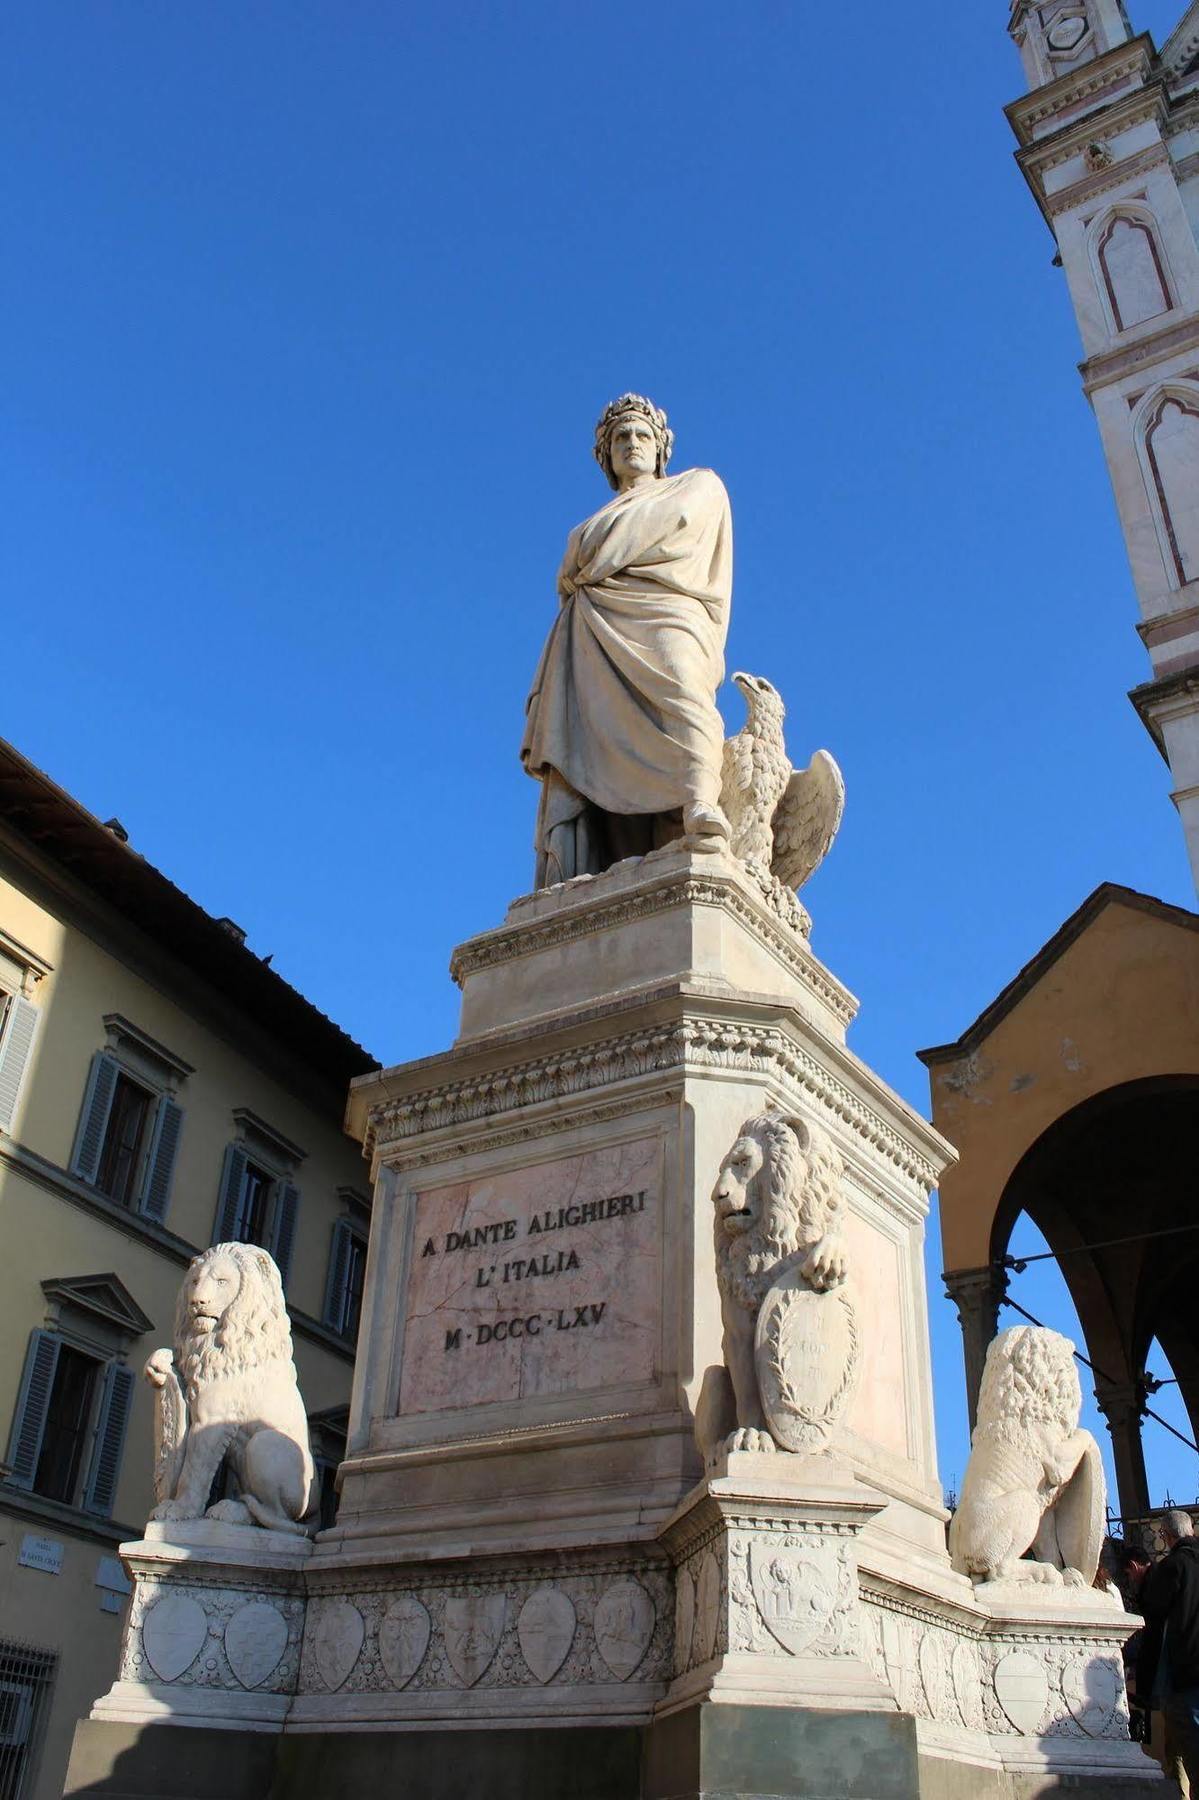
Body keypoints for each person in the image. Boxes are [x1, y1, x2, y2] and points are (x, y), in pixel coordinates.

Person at [521, 393, 734, 886]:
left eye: (642, 435)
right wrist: (588, 554)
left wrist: (589, 556)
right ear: (607, 457)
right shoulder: (587, 528)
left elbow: (669, 526)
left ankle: (699, 803)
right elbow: (575, 564)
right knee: (587, 733)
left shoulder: (698, 485)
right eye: (620, 438)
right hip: (592, 633)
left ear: (661, 448)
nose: (631, 444)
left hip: (669, 611)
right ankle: (583, 861)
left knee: (683, 690)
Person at [1135, 1510, 1199, 1792]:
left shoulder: (1173, 1567)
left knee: (1191, 1749)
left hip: (1186, 1670)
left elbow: (1153, 1612)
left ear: (1166, 1536)